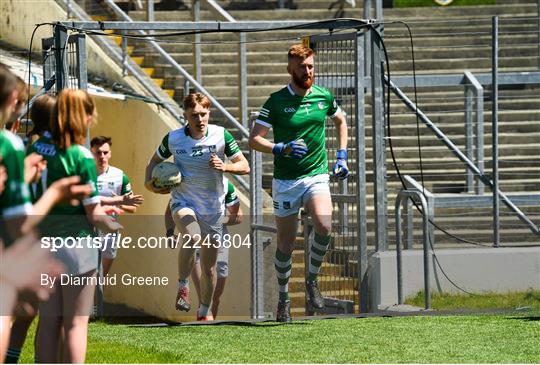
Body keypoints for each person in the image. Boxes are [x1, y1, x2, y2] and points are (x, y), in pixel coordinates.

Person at [248, 44, 349, 322]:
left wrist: (341, 156)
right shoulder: (276, 101)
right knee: (285, 243)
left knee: (324, 224)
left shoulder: (323, 96)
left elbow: (341, 120)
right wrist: (281, 148)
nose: (308, 71)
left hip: (316, 175)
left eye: (311, 66)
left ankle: (312, 280)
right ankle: (283, 299)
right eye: (303, 66)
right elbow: (254, 139)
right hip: (286, 182)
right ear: (290, 68)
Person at [30, 89, 122, 363]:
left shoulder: (34, 148)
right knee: (75, 323)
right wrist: (112, 223)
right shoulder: (81, 156)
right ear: (80, 116)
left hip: (41, 245)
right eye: (90, 112)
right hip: (76, 245)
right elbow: (93, 214)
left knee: (48, 322)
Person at [145, 92, 249, 321]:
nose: (200, 120)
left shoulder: (222, 135)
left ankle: (203, 312)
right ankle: (183, 286)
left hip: (212, 209)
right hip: (183, 202)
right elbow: (154, 162)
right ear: (185, 116)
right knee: (192, 237)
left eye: (203, 114)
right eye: (194, 115)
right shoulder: (173, 139)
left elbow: (245, 165)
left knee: (210, 270)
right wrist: (148, 183)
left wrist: (225, 167)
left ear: (209, 113)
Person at [165, 178, 242, 319]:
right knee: (201, 273)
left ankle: (209, 314)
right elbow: (170, 211)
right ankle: (202, 310)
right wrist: (170, 233)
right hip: (196, 236)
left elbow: (238, 216)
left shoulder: (225, 184)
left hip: (217, 236)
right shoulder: (185, 182)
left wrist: (217, 219)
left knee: (217, 292)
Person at [90, 135, 144, 276]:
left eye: (106, 152)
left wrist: (120, 203)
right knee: (85, 279)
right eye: (98, 153)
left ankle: (98, 298)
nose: (102, 156)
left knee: (100, 279)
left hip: (109, 233)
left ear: (110, 153)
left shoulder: (120, 176)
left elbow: (133, 208)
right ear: (91, 152)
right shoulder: (84, 174)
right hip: (87, 231)